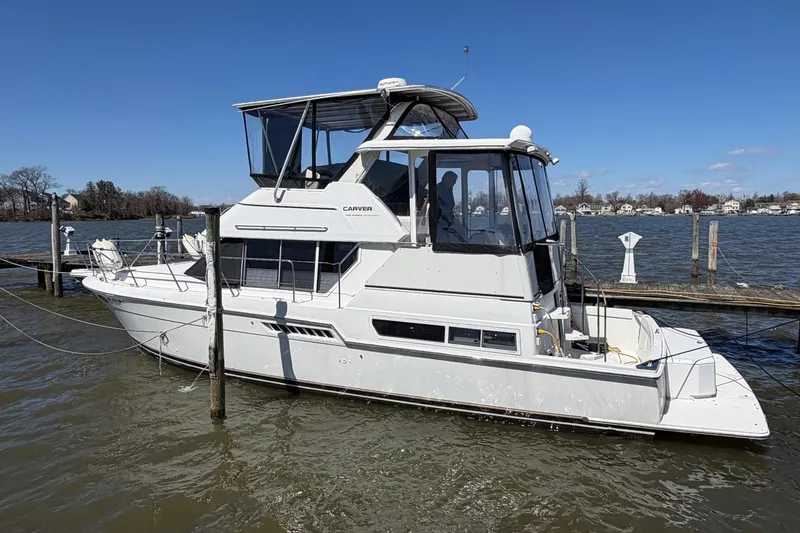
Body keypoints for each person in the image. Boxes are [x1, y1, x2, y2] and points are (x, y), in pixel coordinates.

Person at [437, 171, 459, 241]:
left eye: (455, 181)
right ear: (446, 179)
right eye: (453, 180)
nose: (454, 182)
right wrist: (448, 219)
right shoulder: (438, 190)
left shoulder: (448, 190)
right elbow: (441, 207)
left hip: (447, 224)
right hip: (440, 225)